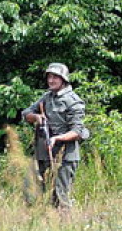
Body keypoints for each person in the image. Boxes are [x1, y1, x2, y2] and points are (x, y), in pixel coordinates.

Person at [22, 63, 86, 209]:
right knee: (33, 190)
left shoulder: (73, 101)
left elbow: (77, 131)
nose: (51, 81)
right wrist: (36, 117)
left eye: (55, 77)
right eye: (49, 77)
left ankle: (65, 227)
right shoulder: (47, 98)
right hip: (43, 153)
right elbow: (26, 114)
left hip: (65, 156)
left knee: (59, 196)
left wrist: (57, 138)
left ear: (63, 79)